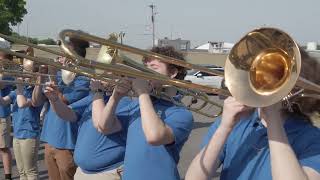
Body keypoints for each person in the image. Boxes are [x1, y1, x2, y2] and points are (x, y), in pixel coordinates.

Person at [185, 49, 320, 180]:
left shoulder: (311, 138)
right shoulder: (233, 123)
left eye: (276, 75)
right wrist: (224, 128)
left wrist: (273, 119)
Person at [93, 46, 194, 180]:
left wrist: (143, 93)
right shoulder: (136, 104)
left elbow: (154, 137)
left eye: (154, 67)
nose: (144, 71)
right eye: (145, 66)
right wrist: (115, 97)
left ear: (173, 73)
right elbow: (104, 127)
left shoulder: (181, 113)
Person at [42, 78, 128, 180]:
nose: (97, 77)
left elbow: (103, 126)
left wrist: (98, 92)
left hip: (107, 173)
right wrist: (55, 100)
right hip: (82, 172)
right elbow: (69, 114)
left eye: (106, 73)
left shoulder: (126, 101)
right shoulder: (96, 98)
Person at [32, 37, 90, 180]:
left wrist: (52, 73)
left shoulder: (84, 78)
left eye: (64, 53)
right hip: (49, 140)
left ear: (74, 57)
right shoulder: (57, 75)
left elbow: (61, 100)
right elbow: (36, 101)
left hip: (67, 143)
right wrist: (40, 77)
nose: (60, 56)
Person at [0, 57, 43, 180]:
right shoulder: (18, 91)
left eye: (27, 74)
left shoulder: (37, 92)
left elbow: (22, 103)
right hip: (18, 134)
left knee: (30, 170)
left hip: (29, 134)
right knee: (22, 171)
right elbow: (3, 102)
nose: (24, 76)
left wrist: (19, 87)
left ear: (34, 76)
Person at [0, 37, 13, 180]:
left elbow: (1, 84)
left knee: (3, 147)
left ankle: (8, 176)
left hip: (2, 113)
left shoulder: (10, 70)